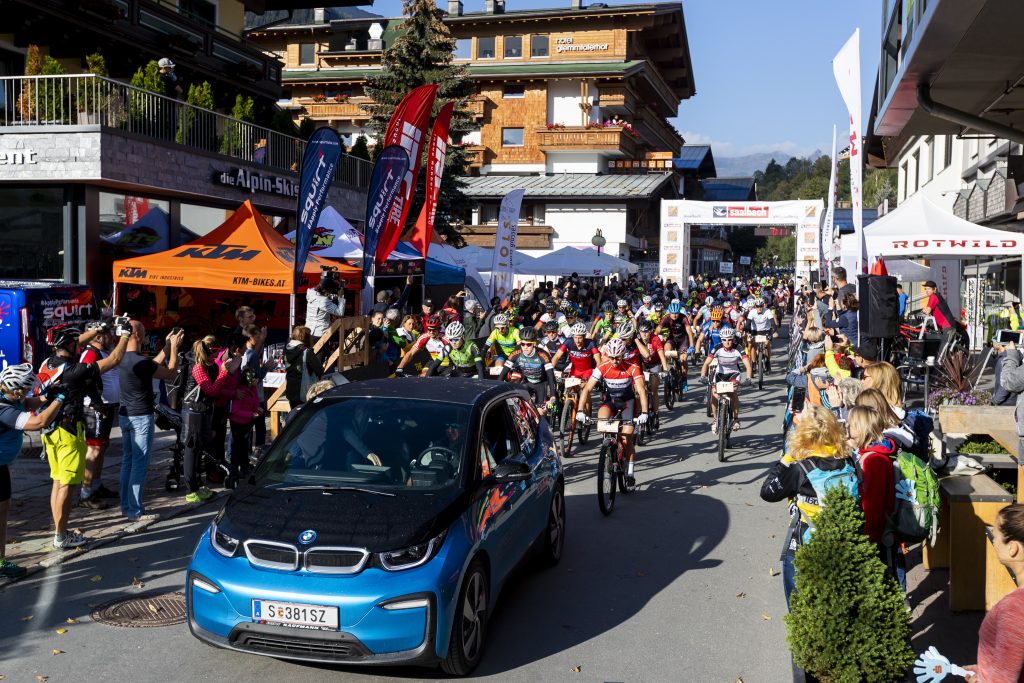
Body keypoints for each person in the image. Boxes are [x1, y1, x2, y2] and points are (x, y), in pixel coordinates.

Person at [41, 321, 130, 548]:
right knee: (67, 486)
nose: (78, 347)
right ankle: (61, 537)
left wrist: (97, 330)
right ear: (69, 346)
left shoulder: (48, 362)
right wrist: (126, 336)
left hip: (51, 431)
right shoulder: (74, 371)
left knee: (57, 482)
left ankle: (60, 531)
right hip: (69, 432)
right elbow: (113, 360)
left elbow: (73, 342)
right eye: (75, 344)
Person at [759, 404, 856, 607]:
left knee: (800, 605)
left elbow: (767, 492)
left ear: (803, 434)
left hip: (805, 539)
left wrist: (787, 457)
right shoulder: (848, 462)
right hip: (843, 539)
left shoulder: (799, 469)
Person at [0, 364, 65, 577]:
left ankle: (0, 562)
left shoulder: (11, 398)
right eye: (25, 389)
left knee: (3, 511)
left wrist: (47, 397)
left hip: (1, 466)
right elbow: (39, 422)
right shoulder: (3, 409)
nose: (27, 394)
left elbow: (27, 404)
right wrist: (61, 399)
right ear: (15, 389)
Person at [118, 322, 184, 521]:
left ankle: (126, 506)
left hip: (125, 415)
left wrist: (166, 346)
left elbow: (152, 364)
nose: (146, 336)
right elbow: (171, 372)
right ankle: (135, 510)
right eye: (145, 332)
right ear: (137, 334)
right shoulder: (140, 361)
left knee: (128, 461)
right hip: (140, 417)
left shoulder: (122, 358)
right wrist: (174, 348)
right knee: (139, 462)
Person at [963, 502, 1024, 682]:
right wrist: (982, 670)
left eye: (995, 535)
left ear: (1012, 548)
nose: (993, 541)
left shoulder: (1015, 610)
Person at [846, 405, 904, 589]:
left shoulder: (874, 460)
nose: (846, 428)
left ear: (862, 429)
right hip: (878, 534)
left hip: (877, 537)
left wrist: (866, 541)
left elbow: (873, 507)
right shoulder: (872, 454)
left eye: (851, 425)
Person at [577, 337, 649, 487]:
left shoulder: (632, 366)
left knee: (626, 437)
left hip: (628, 403)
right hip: (611, 402)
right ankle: (609, 448)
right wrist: (580, 410)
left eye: (617, 357)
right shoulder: (603, 367)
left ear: (623, 355)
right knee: (602, 421)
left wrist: (645, 412)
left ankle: (629, 472)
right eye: (611, 357)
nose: (615, 361)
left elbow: (641, 390)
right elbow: (587, 389)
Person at [180, 337, 242, 502]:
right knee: (191, 451)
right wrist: (223, 372)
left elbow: (219, 377)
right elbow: (212, 390)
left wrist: (227, 370)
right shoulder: (197, 368)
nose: (216, 357)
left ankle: (198, 487)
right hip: (193, 414)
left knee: (199, 450)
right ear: (207, 352)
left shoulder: (207, 366)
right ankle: (191, 490)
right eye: (214, 353)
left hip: (202, 413)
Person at [77, 321, 121, 509]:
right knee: (93, 450)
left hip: (106, 406)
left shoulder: (104, 351)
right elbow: (84, 379)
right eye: (108, 333)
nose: (111, 335)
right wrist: (96, 403)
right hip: (95, 408)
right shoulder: (90, 353)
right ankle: (85, 494)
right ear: (97, 336)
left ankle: (96, 485)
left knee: (102, 447)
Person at [700, 327, 753, 433]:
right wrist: (703, 376)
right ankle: (715, 419)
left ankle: (736, 419)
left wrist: (748, 378)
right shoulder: (717, 348)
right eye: (724, 340)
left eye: (729, 339)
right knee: (714, 394)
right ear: (721, 340)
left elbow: (747, 365)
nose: (727, 342)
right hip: (720, 375)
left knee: (733, 393)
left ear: (733, 339)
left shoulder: (738, 348)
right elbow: (706, 363)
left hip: (734, 374)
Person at [499, 327, 558, 415]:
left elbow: (550, 376)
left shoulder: (543, 355)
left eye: (529, 344)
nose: (525, 347)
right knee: (517, 410)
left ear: (534, 344)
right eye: (523, 344)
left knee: (540, 413)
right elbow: (503, 373)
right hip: (528, 382)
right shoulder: (516, 353)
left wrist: (552, 396)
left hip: (541, 384)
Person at [921, 279, 968, 359]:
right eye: (926, 289)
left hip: (948, 327)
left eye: (929, 289)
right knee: (943, 348)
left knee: (943, 349)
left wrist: (922, 310)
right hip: (946, 327)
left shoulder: (934, 296)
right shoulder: (936, 296)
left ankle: (940, 368)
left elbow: (927, 310)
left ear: (934, 289)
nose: (927, 291)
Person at [284, 325, 323, 410]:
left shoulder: (286, 349)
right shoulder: (307, 352)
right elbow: (320, 370)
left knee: (295, 415)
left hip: (291, 390)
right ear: (307, 338)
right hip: (305, 391)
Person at [305, 267, 345, 341]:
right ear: (326, 290)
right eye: (330, 291)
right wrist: (341, 298)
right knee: (322, 352)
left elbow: (323, 296)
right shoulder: (324, 301)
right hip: (320, 333)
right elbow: (340, 312)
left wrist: (333, 296)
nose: (330, 292)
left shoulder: (311, 293)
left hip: (309, 330)